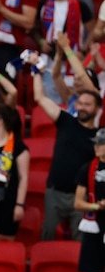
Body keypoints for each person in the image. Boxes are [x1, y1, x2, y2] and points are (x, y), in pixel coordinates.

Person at [30, 50, 100, 240]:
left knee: (82, 240)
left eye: (88, 104)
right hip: (55, 191)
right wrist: (35, 70)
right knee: (47, 235)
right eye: (80, 103)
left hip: (82, 197)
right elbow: (40, 98)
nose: (82, 107)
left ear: (97, 109)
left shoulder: (100, 134)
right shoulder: (65, 120)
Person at [0, 104, 29, 242]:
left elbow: (23, 178)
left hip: (8, 201)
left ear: (0, 121)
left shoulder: (19, 147)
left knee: (4, 243)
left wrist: (19, 205)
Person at [74, 128, 105, 272]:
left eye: (101, 144)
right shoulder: (87, 169)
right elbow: (78, 203)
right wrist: (97, 206)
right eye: (95, 144)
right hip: (94, 224)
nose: (96, 147)